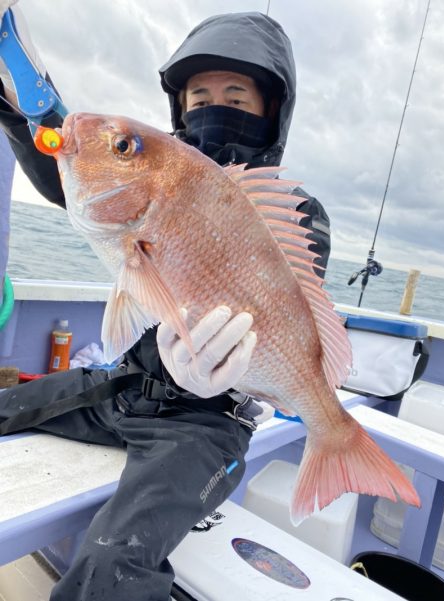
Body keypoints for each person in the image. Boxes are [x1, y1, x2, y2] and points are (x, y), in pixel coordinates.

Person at [0, 4, 331, 600]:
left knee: (111, 568)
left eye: (236, 93)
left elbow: (294, 315)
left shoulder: (296, 212)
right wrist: (11, 97)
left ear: (270, 110)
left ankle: (336, 438)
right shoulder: (161, 175)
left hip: (205, 424)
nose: (214, 106)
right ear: (179, 108)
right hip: (124, 387)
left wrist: (226, 382)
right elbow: (70, 167)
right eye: (198, 96)